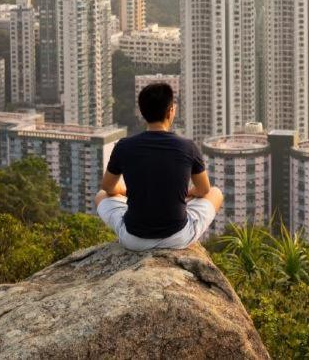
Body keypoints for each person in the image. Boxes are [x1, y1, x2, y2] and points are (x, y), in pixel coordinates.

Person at [95, 82, 223, 250]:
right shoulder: (187, 146)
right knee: (216, 192)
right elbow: (204, 190)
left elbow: (108, 187)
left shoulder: (124, 146)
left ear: (142, 112)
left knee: (100, 195)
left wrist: (126, 192)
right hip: (177, 237)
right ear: (171, 111)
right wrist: (186, 195)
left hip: (134, 240)